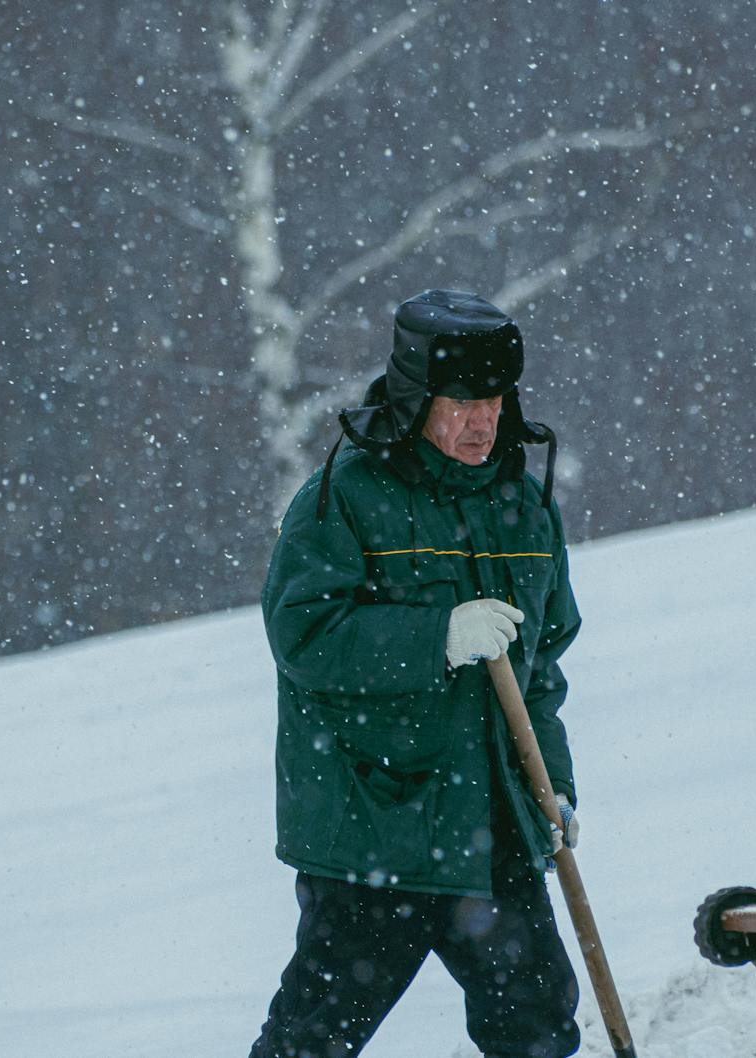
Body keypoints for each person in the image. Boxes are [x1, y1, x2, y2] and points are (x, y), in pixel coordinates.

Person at [249, 289, 583, 1058]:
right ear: (415, 399)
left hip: (495, 822)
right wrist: (436, 635)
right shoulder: (346, 498)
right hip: (376, 826)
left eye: (495, 399)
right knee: (313, 1040)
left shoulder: (524, 511)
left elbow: (541, 671)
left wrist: (552, 785)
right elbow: (304, 635)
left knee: (537, 1028)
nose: (483, 421)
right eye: (461, 401)